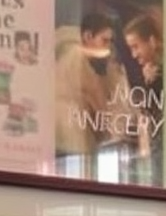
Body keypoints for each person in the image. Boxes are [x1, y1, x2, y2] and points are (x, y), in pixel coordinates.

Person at [54, 9, 131, 160]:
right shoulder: (76, 61)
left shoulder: (107, 64)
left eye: (110, 41)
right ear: (88, 37)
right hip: (72, 143)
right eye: (104, 40)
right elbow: (97, 100)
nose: (108, 47)